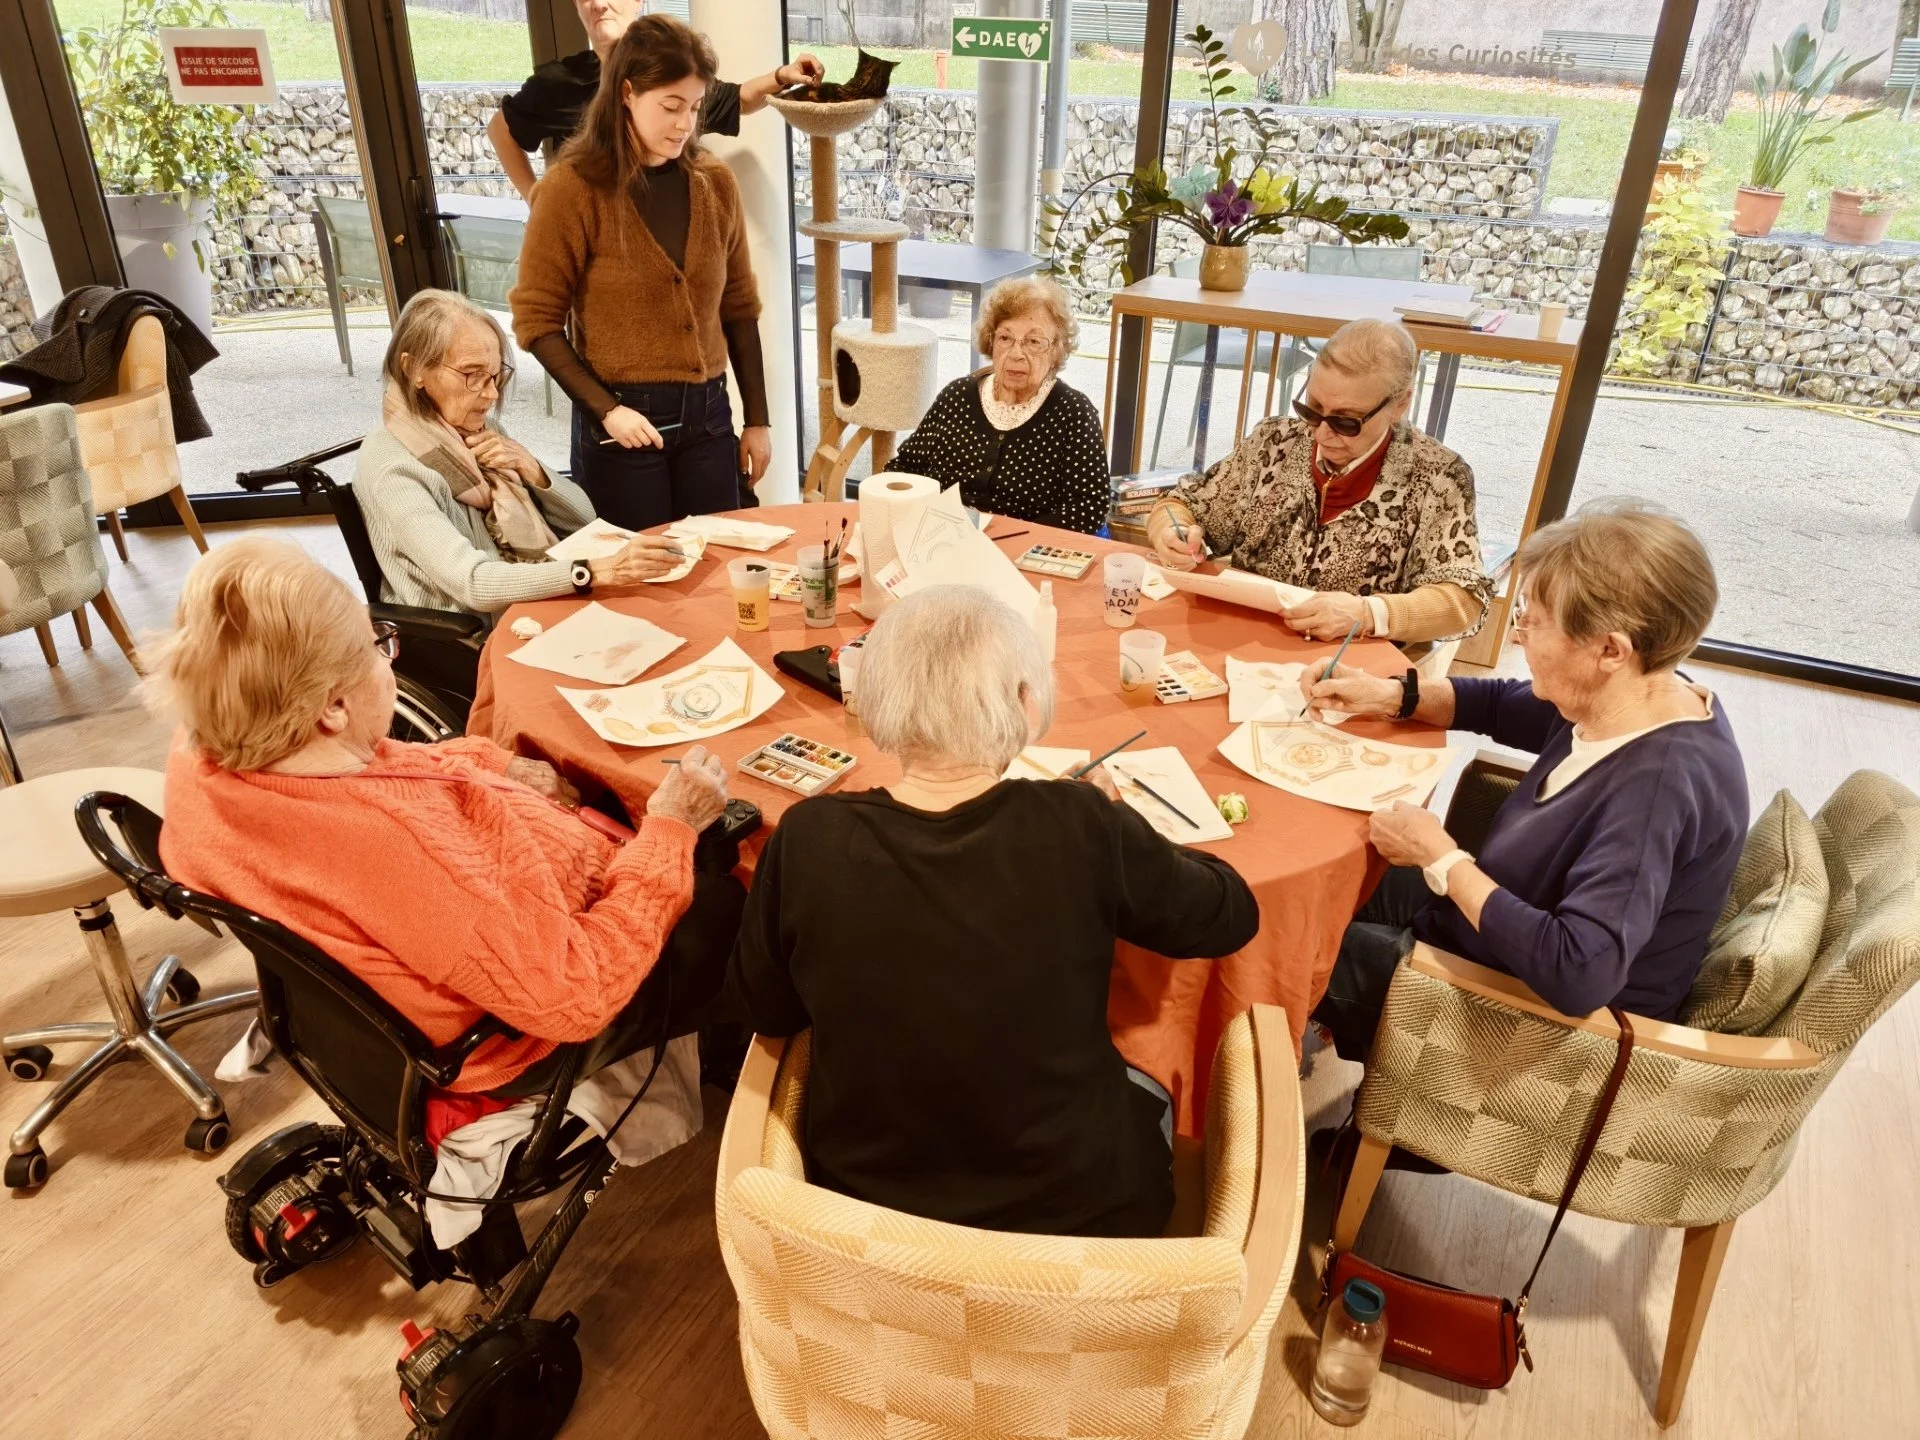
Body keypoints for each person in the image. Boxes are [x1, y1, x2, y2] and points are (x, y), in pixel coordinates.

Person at [728, 585, 1260, 1238]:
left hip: (865, 1226)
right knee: (1147, 1091)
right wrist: (1117, 822)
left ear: (871, 702)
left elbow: (766, 1010)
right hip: (1079, 1229)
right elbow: (1230, 913)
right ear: (1025, 703)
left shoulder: (808, 837)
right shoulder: (1080, 824)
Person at [152, 538, 746, 1095]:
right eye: (376, 646)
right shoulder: (397, 854)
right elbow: (575, 999)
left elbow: (393, 763)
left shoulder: (208, 752)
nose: (387, 657)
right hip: (530, 1029)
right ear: (332, 708)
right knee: (745, 885)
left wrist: (494, 765)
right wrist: (670, 829)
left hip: (477, 939)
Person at [1303, 500, 1748, 1062]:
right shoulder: (1643, 691)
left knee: (1286, 946)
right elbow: (1505, 705)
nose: (1518, 637)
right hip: (1499, 930)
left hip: (1528, 1027)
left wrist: (1442, 859)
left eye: (1533, 621)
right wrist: (1392, 694)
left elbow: (1578, 973)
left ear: (1611, 648)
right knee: (1331, 864)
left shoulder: (1653, 792)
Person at [512, 15, 769, 530]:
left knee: (716, 565)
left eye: (695, 108)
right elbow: (536, 323)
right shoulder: (571, 189)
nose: (685, 124)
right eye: (671, 106)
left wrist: (757, 420)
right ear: (627, 93)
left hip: (709, 415)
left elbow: (738, 307)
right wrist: (607, 411)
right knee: (639, 579)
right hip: (623, 423)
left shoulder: (714, 182)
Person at [1147, 318, 1492, 649]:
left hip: (1345, 664)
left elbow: (1463, 598)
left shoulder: (1437, 476)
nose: (1321, 432)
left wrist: (1367, 613)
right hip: (1235, 641)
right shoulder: (1274, 442)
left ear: (1400, 403)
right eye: (1311, 409)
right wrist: (1172, 534)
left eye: (1346, 421)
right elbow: (1180, 506)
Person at [355, 289, 683, 619]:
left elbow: (583, 522)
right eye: (472, 375)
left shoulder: (482, 430)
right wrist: (597, 570)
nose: (491, 393)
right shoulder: (392, 467)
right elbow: (474, 584)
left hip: (522, 605)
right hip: (468, 636)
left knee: (667, 608)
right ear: (414, 369)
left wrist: (530, 468)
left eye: (496, 375)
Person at [487, 0, 822, 203]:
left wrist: (781, 75)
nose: (599, 5)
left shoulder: (673, 70)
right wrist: (536, 197)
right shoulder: (559, 83)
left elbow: (737, 99)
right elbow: (501, 128)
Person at [883, 276, 1109, 535]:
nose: (1016, 353)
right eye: (1005, 338)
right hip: (940, 543)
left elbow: (1089, 509)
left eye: (1034, 342)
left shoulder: (1074, 413)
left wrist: (1012, 538)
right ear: (991, 342)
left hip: (1026, 553)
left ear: (1056, 350)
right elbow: (904, 469)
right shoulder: (957, 397)